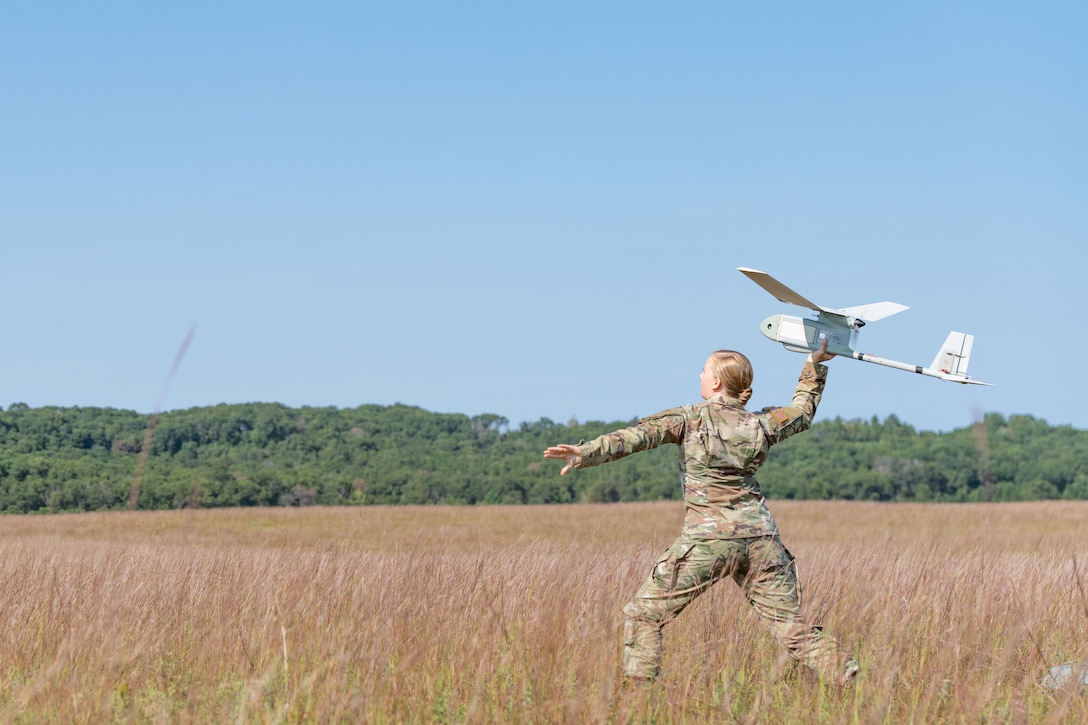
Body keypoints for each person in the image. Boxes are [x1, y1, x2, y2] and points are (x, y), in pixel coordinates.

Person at [543, 340, 858, 686]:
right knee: (793, 629)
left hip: (709, 540)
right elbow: (802, 413)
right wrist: (813, 364)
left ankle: (637, 699)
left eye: (705, 370)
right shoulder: (762, 424)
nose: (700, 375)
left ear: (717, 383)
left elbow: (636, 437)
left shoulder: (689, 418)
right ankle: (848, 675)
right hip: (762, 540)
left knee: (644, 615)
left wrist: (585, 452)